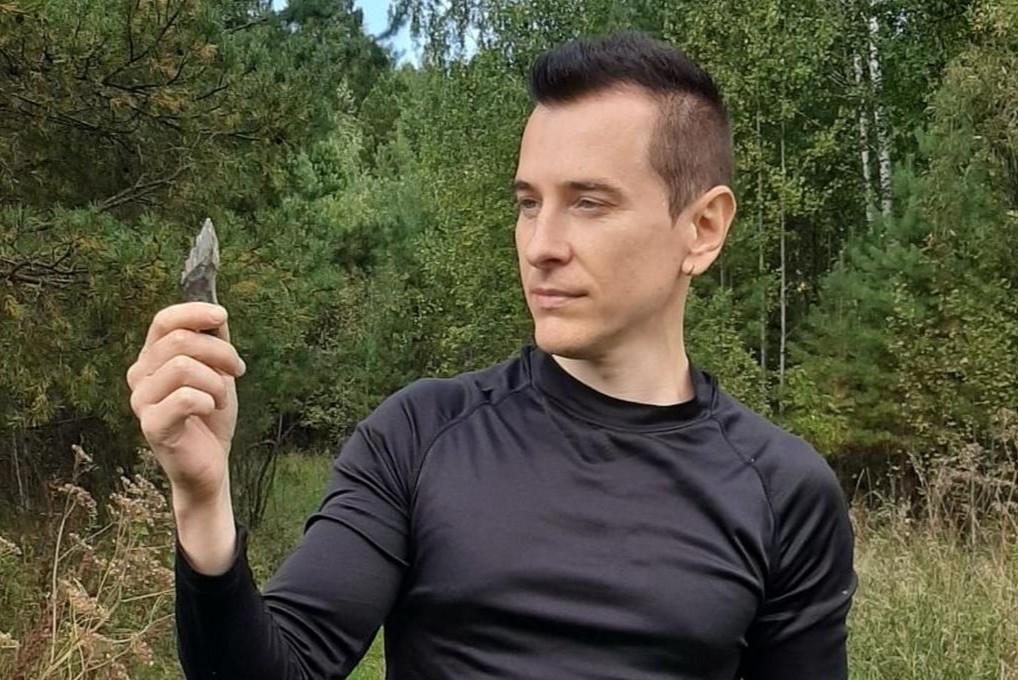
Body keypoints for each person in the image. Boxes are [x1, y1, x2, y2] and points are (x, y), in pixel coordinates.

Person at [126, 31, 856, 680]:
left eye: (589, 202)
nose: (541, 245)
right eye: (529, 202)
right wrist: (202, 500)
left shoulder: (783, 493)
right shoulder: (418, 435)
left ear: (703, 228)